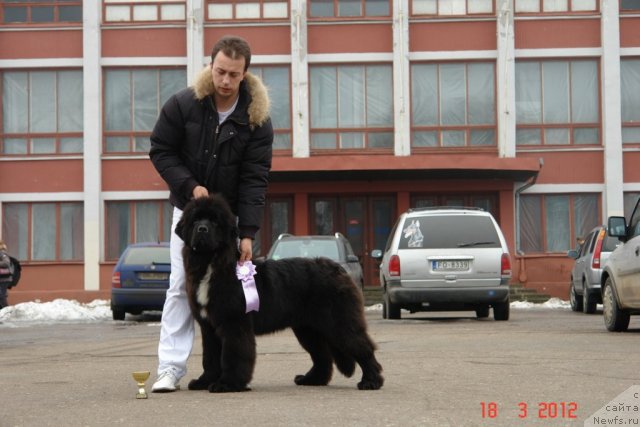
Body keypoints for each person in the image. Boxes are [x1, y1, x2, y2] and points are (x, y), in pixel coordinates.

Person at [148, 35, 273, 392]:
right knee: (178, 287)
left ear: (245, 74)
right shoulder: (183, 104)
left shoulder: (257, 119)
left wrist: (247, 232)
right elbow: (160, 150)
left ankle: (223, 370)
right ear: (211, 66)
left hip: (227, 222)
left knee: (228, 295)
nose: (225, 81)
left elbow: (254, 179)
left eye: (234, 75)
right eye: (220, 71)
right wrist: (189, 186)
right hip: (187, 214)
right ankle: (170, 367)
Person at [0, 240, 22, 310]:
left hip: (5, 278)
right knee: (2, 296)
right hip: (2, 278)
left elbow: (6, 263)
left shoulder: (2, 253)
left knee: (1, 296)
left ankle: (7, 312)